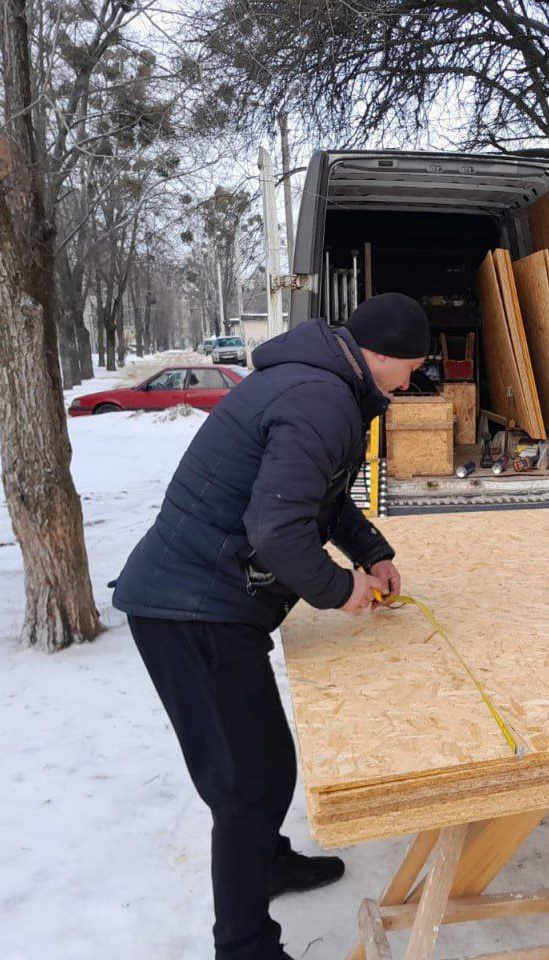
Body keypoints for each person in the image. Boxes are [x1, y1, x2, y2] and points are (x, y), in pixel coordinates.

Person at [113, 294, 431, 960]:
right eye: (410, 367)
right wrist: (339, 588)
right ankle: (244, 945)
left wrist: (370, 550)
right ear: (378, 356)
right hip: (190, 610)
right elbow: (278, 528)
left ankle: (269, 864)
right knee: (248, 785)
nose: (411, 382)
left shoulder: (317, 382)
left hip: (203, 599)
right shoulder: (321, 399)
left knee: (256, 772)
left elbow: (319, 495)